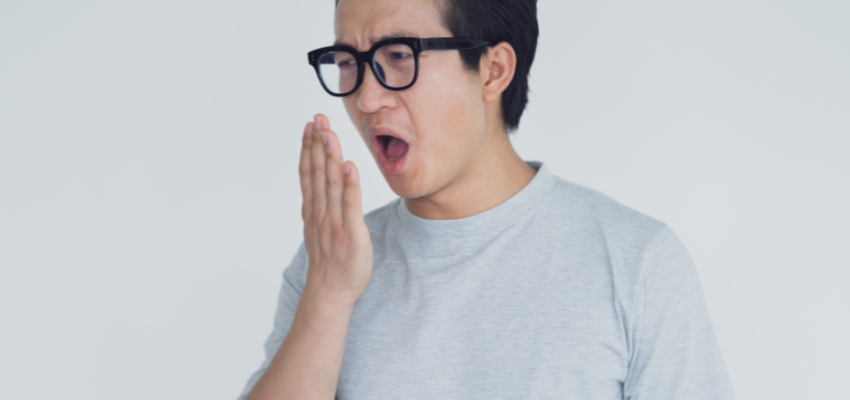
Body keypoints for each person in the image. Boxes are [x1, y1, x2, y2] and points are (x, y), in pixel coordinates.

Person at [238, 0, 735, 399]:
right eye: (350, 63)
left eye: (398, 56)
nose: (367, 100)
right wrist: (327, 297)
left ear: (493, 69)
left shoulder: (637, 262)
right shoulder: (326, 263)